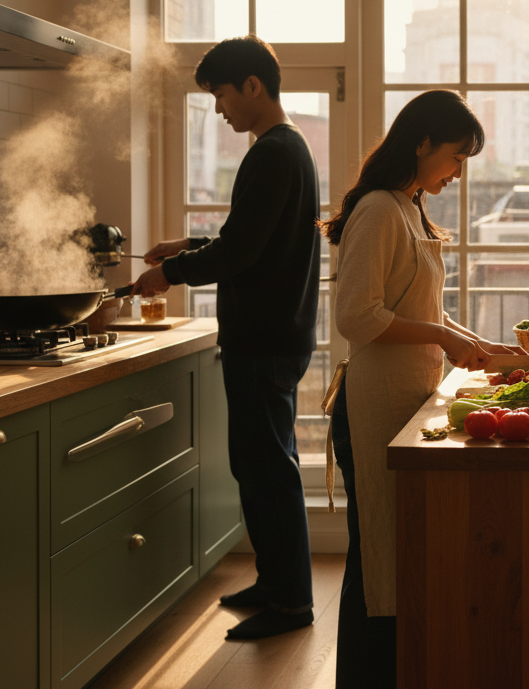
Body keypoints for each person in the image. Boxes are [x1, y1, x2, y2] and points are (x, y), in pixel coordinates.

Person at [321, 89, 526, 687]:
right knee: (377, 556)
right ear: (422, 143)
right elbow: (358, 317)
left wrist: (480, 346)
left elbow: (423, 308)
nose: (458, 172)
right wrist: (447, 337)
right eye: (456, 157)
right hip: (374, 401)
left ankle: (398, 670)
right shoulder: (380, 210)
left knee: (397, 552)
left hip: (406, 398)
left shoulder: (408, 206)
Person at [131, 35, 321, 641]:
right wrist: (185, 246)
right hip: (273, 338)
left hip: (263, 343)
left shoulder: (271, 153)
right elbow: (254, 238)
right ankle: (275, 583)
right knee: (261, 466)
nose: (218, 109)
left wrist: (168, 273)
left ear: (252, 87)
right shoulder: (289, 150)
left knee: (268, 472)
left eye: (220, 94)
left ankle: (291, 602)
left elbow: (239, 251)